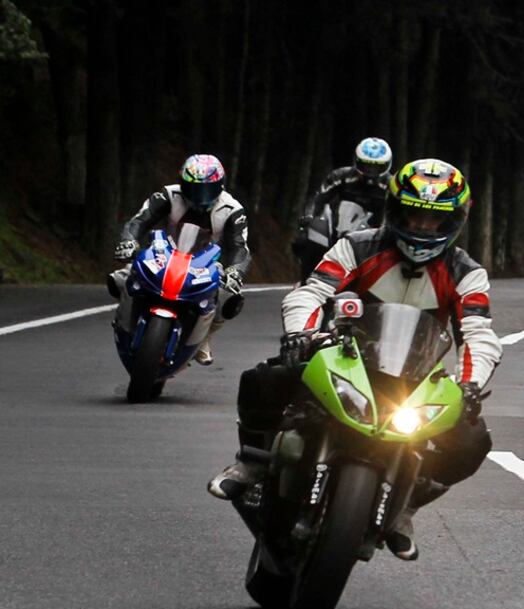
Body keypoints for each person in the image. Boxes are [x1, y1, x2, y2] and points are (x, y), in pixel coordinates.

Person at [209, 158, 502, 562]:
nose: (421, 228)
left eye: (434, 221)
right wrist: (301, 334)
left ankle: (407, 507)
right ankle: (252, 462)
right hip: (343, 356)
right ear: (395, 210)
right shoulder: (357, 245)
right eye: (414, 215)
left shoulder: (467, 273)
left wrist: (470, 383)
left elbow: (478, 333)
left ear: (455, 222)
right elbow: (311, 291)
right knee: (268, 376)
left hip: (415, 378)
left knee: (472, 439)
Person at [109, 154, 250, 365]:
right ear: (183, 183)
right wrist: (129, 241)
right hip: (162, 254)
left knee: (230, 298)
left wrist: (235, 271)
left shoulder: (232, 210)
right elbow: (139, 221)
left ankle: (204, 337)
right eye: (193, 188)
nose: (199, 196)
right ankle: (125, 321)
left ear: (220, 186)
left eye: (206, 190)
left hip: (205, 264)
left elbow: (240, 248)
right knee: (120, 279)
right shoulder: (168, 194)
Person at [293, 137, 393, 279]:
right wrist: (309, 217)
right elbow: (319, 197)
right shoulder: (340, 176)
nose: (371, 171)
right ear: (357, 162)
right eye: (367, 166)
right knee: (307, 238)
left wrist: (387, 230)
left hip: (374, 231)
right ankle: (306, 279)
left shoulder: (391, 186)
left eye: (377, 167)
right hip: (337, 227)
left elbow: (395, 211)